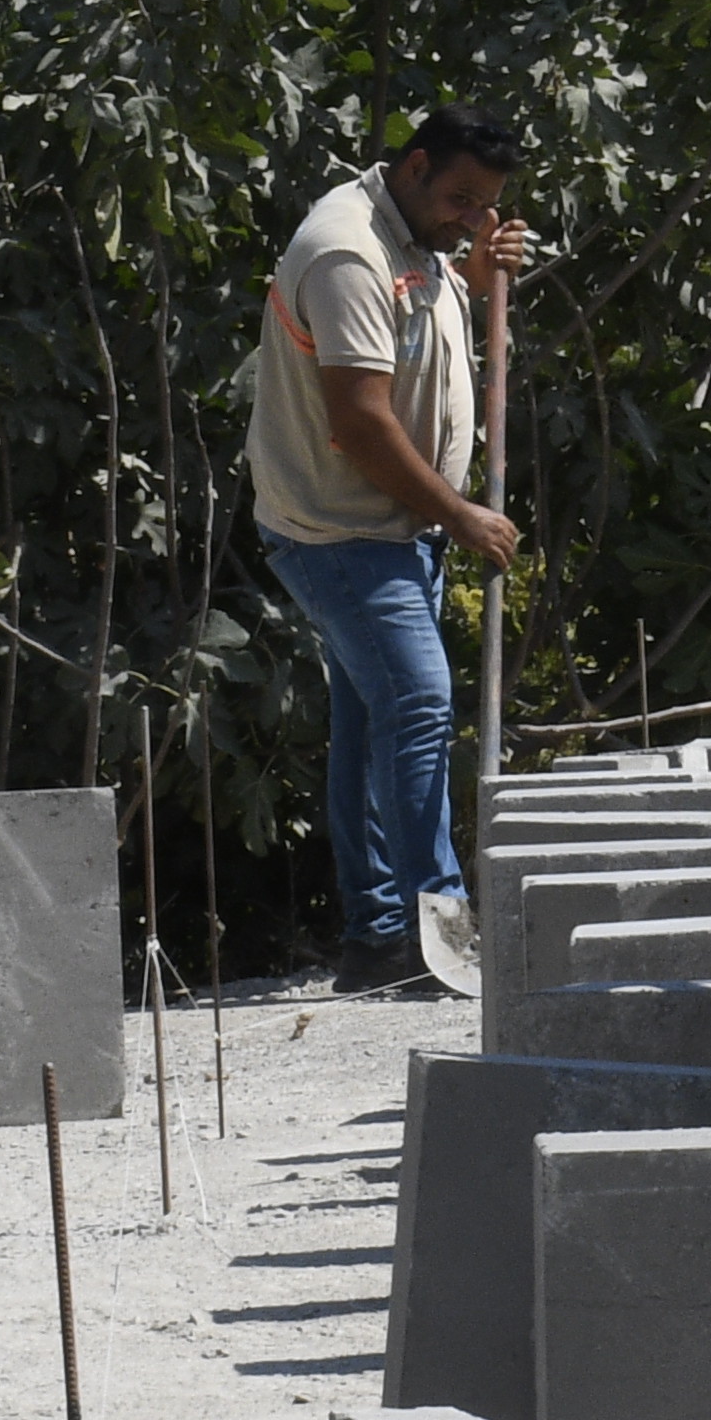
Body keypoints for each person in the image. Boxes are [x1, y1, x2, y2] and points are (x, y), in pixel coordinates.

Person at [243, 104, 528, 996]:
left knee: (372, 724)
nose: (472, 220)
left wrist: (478, 280)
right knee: (417, 705)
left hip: (392, 528)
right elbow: (361, 425)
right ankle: (438, 934)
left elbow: (420, 347)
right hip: (340, 531)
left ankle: (375, 938)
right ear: (410, 167)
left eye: (487, 206)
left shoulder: (418, 240)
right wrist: (460, 516)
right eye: (460, 200)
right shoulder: (347, 252)